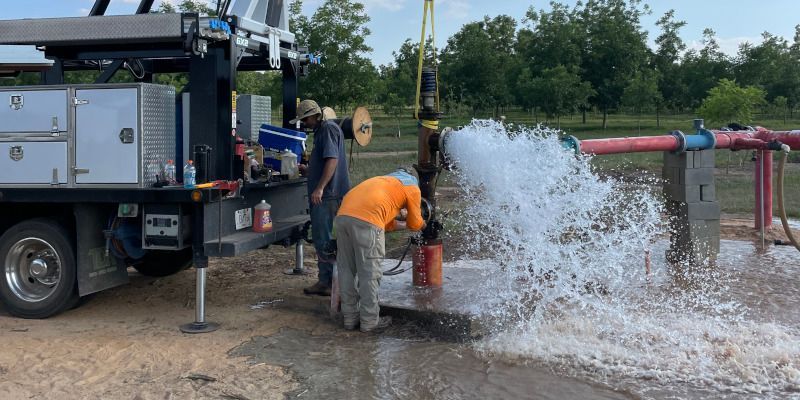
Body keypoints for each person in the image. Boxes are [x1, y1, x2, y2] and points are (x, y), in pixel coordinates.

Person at [333, 168, 426, 332]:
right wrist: (423, 224)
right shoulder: (412, 186)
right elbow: (415, 223)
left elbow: (386, 223)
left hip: (343, 217)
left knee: (346, 269)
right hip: (367, 220)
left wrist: (402, 221)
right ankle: (369, 321)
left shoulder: (383, 182)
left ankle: (350, 318)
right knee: (369, 273)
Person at [291, 100, 350, 296]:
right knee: (328, 238)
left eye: (305, 119)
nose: (304, 123)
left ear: (315, 115)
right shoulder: (326, 130)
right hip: (330, 194)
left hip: (328, 196)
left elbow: (332, 160)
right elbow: (326, 161)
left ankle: (326, 282)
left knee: (323, 239)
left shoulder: (327, 130)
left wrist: (320, 188)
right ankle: (332, 280)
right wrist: (309, 170)